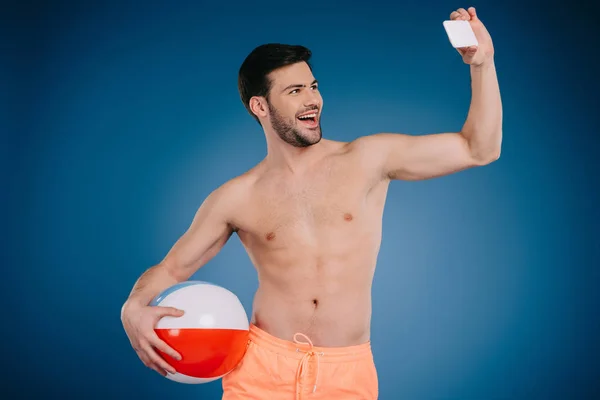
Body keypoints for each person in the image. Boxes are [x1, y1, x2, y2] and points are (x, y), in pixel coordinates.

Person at [121, 6, 501, 399]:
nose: (312, 100)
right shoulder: (236, 196)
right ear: (260, 107)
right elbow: (170, 269)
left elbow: (479, 149)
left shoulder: (367, 158)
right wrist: (131, 307)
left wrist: (482, 64)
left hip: (346, 372)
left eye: (314, 86)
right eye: (294, 91)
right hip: (262, 371)